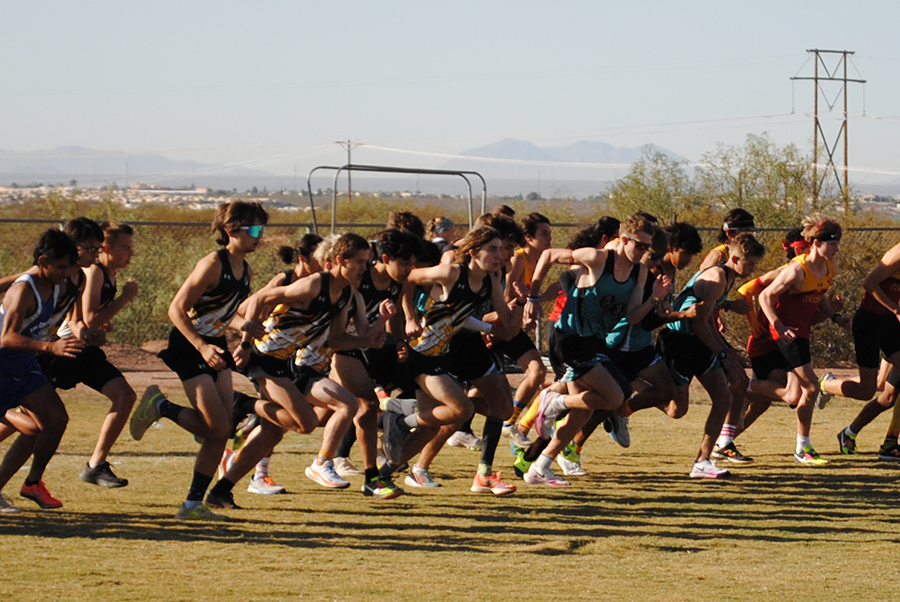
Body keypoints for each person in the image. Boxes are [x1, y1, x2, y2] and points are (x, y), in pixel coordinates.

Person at [205, 233, 386, 509]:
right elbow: (259, 299)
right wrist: (244, 341)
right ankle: (242, 403)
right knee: (306, 422)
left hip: (286, 364)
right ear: (339, 260)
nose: (364, 268)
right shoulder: (314, 284)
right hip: (264, 357)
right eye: (359, 262)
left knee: (272, 434)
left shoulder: (346, 293)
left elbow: (335, 339)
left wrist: (367, 339)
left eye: (367, 262)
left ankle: (221, 490)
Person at [129, 201, 268, 521]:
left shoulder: (245, 269)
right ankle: (159, 406)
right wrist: (202, 347)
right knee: (218, 427)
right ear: (232, 231)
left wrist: (243, 326)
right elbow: (176, 309)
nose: (260, 236)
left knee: (219, 430)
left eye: (262, 229)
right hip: (190, 345)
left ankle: (192, 505)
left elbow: (219, 311)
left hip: (214, 344)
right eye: (255, 230)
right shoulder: (212, 264)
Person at [522, 214, 661, 486]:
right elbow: (549, 254)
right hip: (569, 337)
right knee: (614, 397)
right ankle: (553, 402)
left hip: (594, 342)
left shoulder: (640, 272)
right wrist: (533, 297)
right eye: (640, 246)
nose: (644, 253)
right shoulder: (598, 258)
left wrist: (655, 299)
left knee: (585, 410)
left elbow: (632, 317)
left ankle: (540, 467)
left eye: (648, 248)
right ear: (623, 240)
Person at [657, 232, 765, 478]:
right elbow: (697, 324)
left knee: (723, 397)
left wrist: (725, 350)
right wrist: (724, 353)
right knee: (676, 409)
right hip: (679, 341)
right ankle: (626, 397)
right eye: (750, 263)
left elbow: (706, 322)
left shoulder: (728, 278)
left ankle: (702, 462)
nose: (752, 269)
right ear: (735, 259)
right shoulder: (717, 276)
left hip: (698, 340)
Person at [43, 220, 138, 487]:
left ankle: (96, 464)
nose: (131, 253)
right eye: (126, 247)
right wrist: (123, 300)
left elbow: (90, 320)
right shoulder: (94, 271)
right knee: (31, 419)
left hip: (84, 350)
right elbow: (88, 318)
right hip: (64, 349)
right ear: (106, 248)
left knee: (125, 396)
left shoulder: (108, 272)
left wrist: (96, 329)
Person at [330, 229, 421, 499]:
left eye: (412, 264)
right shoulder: (359, 279)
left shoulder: (396, 283)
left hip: (365, 345)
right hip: (339, 347)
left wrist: (400, 342)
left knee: (342, 411)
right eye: (404, 263)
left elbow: (391, 319)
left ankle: (373, 475)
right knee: (361, 406)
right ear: (384, 258)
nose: (409, 270)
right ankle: (336, 462)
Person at [0, 229, 83, 512]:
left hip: (23, 370)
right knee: (32, 428)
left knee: (56, 419)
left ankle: (32, 483)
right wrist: (50, 347)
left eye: (68, 266)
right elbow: (7, 337)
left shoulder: (57, 286)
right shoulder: (23, 289)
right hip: (1, 369)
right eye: (60, 266)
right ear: (42, 260)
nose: (65, 272)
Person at [757, 217, 847, 465]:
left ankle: (746, 389)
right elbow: (765, 296)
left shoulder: (831, 268)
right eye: (832, 244)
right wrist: (778, 325)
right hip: (785, 334)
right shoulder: (797, 270)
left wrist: (836, 316)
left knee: (793, 394)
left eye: (838, 243)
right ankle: (803, 449)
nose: (836, 249)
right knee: (811, 387)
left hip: (802, 333)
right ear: (816, 243)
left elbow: (821, 298)